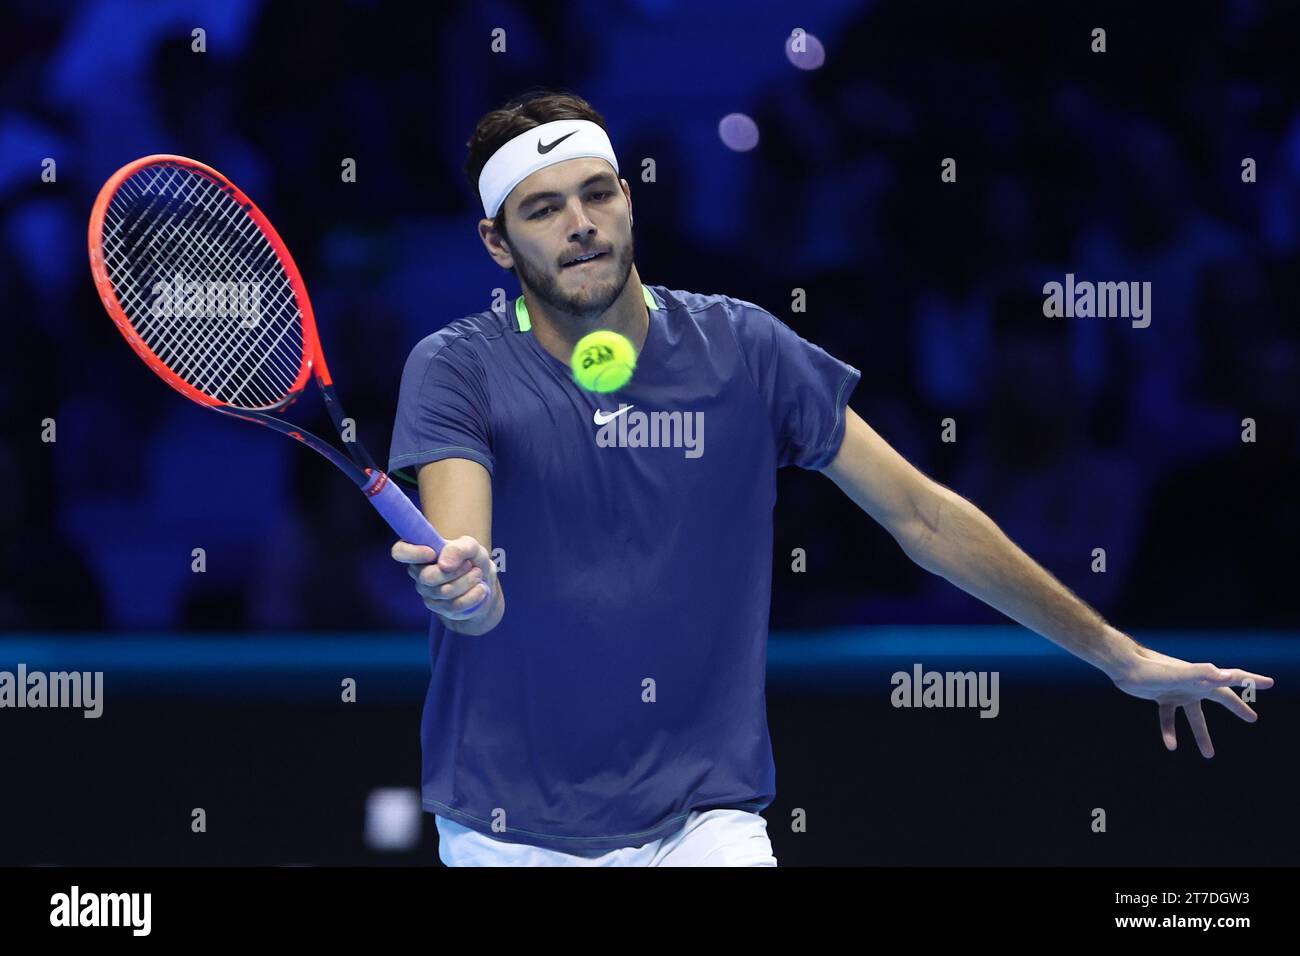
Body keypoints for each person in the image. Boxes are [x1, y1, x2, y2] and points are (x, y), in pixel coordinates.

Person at [387, 90, 1273, 867]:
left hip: (707, 820)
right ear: (496, 244)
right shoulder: (456, 368)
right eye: (542, 210)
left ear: (627, 201)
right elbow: (473, 566)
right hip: (511, 832)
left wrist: (1121, 658)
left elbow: (923, 516)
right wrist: (466, 588)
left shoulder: (744, 347)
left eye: (596, 193)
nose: (579, 223)